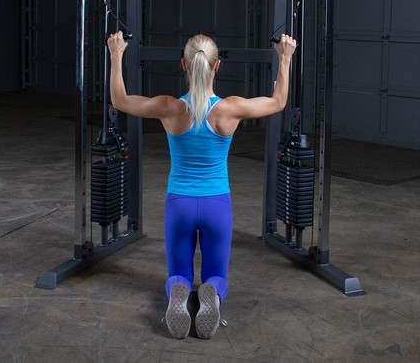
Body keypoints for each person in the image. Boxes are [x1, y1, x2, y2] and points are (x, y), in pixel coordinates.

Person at [107, 31, 297, 339]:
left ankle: (179, 292)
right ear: (216, 66)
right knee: (216, 275)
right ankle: (211, 292)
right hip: (216, 205)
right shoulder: (229, 109)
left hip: (179, 204)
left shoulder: (170, 108)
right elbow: (278, 102)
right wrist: (284, 58)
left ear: (184, 64)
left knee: (178, 274)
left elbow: (120, 100)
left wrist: (116, 55)